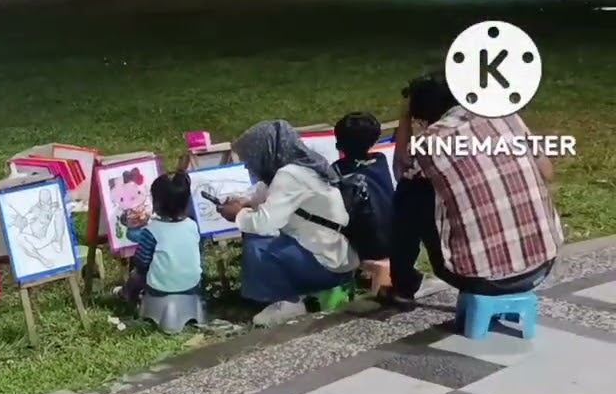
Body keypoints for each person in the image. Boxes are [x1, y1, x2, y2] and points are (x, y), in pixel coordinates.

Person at [388, 72, 562, 307]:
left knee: (410, 192)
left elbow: (400, 170)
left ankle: (403, 287)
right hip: (543, 264)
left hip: (482, 279)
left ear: (421, 115)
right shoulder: (504, 115)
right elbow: (547, 171)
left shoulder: (429, 143)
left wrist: (405, 115)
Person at [217, 120, 358, 326]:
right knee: (264, 236)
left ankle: (285, 302)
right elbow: (266, 193)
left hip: (327, 264)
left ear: (264, 152)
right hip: (337, 257)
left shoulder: (289, 175)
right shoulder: (301, 167)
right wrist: (244, 201)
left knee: (258, 243)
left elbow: (263, 222)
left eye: (249, 158)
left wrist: (237, 215)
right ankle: (298, 297)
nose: (248, 165)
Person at [119, 170, 202, 304]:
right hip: (193, 287)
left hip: (160, 290)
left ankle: (128, 296)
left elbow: (142, 263)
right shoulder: (193, 226)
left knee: (137, 274)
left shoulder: (152, 231)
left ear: (156, 204)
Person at [333, 112, 395, 228]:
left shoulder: (337, 170)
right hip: (396, 234)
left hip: (366, 240)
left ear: (339, 144)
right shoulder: (380, 159)